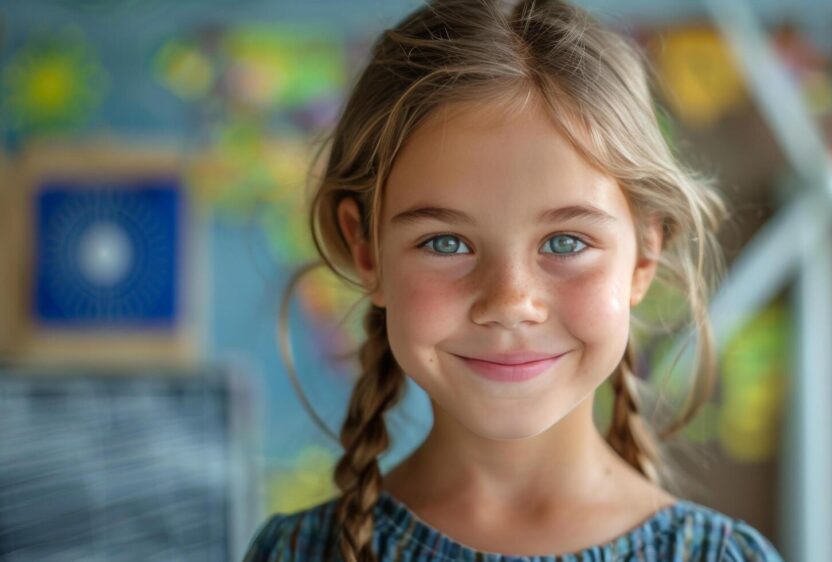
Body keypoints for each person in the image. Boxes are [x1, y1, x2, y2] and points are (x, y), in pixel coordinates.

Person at [244, 0, 783, 560]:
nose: (509, 302)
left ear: (644, 255)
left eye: (566, 243)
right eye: (445, 243)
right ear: (366, 251)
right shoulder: (297, 552)